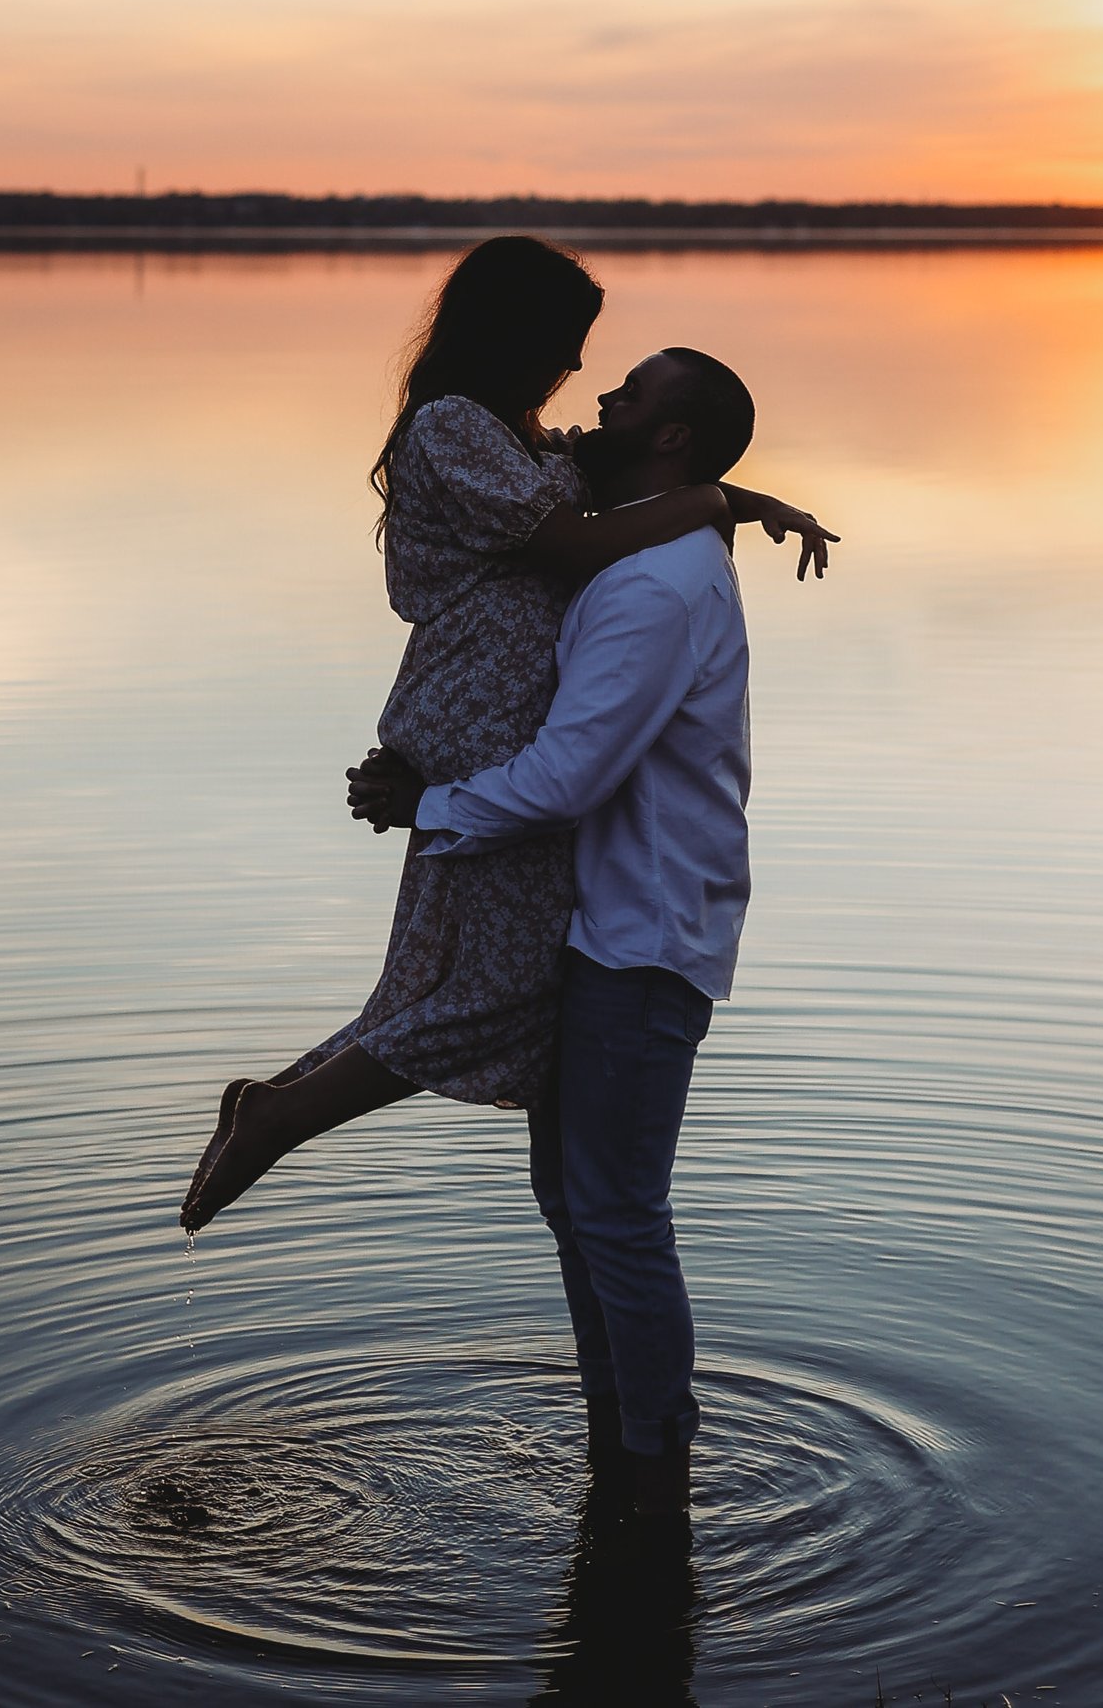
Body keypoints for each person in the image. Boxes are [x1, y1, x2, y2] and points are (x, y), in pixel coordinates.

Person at [179, 241, 831, 1232]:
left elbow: (635, 471)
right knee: (508, 987)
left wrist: (745, 498)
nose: (578, 373)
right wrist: (709, 502)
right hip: (481, 726)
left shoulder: (519, 440)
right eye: (569, 348)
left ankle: (279, 1101)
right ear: (515, 336)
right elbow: (574, 537)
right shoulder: (454, 429)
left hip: (476, 721)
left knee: (432, 978)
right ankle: (286, 1112)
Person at [347, 344, 766, 1527]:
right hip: (593, 931)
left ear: (673, 438)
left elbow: (572, 774)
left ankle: (651, 1469)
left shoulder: (656, 586)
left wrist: (427, 806)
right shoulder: (635, 549)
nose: (602, 401)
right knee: (578, 1207)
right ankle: (621, 1459)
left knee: (617, 1211)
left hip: (642, 940)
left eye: (630, 394)